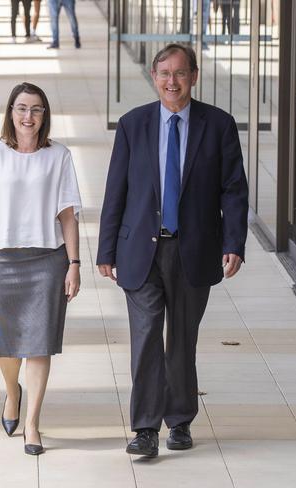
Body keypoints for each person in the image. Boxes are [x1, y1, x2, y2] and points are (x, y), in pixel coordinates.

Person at [96, 44, 248, 458]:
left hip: (193, 250)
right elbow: (117, 190)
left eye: (180, 73)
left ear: (194, 76)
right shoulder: (133, 124)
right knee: (145, 339)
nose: (172, 82)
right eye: (164, 73)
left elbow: (233, 189)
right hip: (140, 252)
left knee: (182, 339)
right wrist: (105, 248)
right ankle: (145, 428)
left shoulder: (218, 125)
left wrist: (234, 242)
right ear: (153, 75)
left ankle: (179, 420)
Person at [0, 82, 82, 456]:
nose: (28, 116)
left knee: (39, 344)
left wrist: (74, 263)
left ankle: (32, 423)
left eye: (35, 109)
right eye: (21, 108)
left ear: (44, 115)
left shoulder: (59, 156)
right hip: (0, 259)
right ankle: (12, 391)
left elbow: (68, 214)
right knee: (5, 346)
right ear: (10, 113)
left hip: (48, 260)